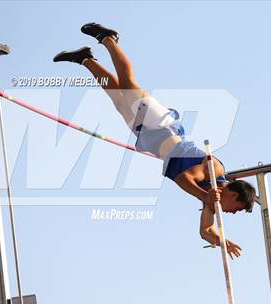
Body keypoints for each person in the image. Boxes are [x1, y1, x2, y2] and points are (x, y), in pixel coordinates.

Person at [54, 23, 256, 259]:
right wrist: (206, 197)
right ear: (234, 194)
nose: (232, 214)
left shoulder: (211, 200)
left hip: (149, 137)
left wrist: (222, 241)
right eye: (237, 209)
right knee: (128, 85)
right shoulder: (216, 170)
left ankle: (85, 59)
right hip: (163, 126)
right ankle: (108, 38)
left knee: (118, 98)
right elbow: (184, 177)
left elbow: (205, 231)